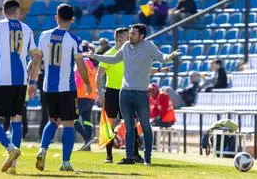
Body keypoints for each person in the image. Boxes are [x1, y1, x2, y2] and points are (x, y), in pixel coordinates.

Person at [85, 23, 181, 165]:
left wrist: (170, 56)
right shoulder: (126, 47)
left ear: (141, 36)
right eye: (130, 33)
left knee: (145, 126)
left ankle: (147, 158)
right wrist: (96, 56)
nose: (130, 36)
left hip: (141, 93)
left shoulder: (148, 46)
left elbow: (162, 57)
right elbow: (113, 59)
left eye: (133, 34)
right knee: (129, 128)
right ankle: (129, 157)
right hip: (124, 93)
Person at [0, 0, 40, 173]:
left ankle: (10, 148)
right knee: (16, 120)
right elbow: (36, 57)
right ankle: (13, 166)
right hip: (21, 80)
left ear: (4, 10)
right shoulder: (27, 29)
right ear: (18, 11)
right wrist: (33, 80)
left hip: (2, 79)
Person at [32, 4, 92, 172]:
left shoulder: (44, 36)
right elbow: (81, 65)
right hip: (67, 87)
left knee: (53, 121)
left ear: (56, 17)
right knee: (68, 124)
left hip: (48, 87)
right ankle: (65, 162)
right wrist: (87, 83)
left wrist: (31, 80)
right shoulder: (74, 39)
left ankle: (42, 149)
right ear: (72, 20)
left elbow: (36, 60)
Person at [96, 27, 144, 164]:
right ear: (119, 40)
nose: (130, 40)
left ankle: (135, 154)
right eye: (127, 38)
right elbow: (99, 76)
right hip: (111, 92)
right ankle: (109, 156)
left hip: (127, 91)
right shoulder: (109, 55)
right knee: (109, 124)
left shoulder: (130, 54)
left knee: (132, 123)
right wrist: (100, 94)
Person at [74, 46, 97, 151]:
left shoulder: (81, 63)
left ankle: (88, 138)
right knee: (86, 120)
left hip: (81, 95)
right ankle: (88, 146)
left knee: (71, 118)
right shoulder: (91, 64)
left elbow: (78, 81)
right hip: (91, 96)